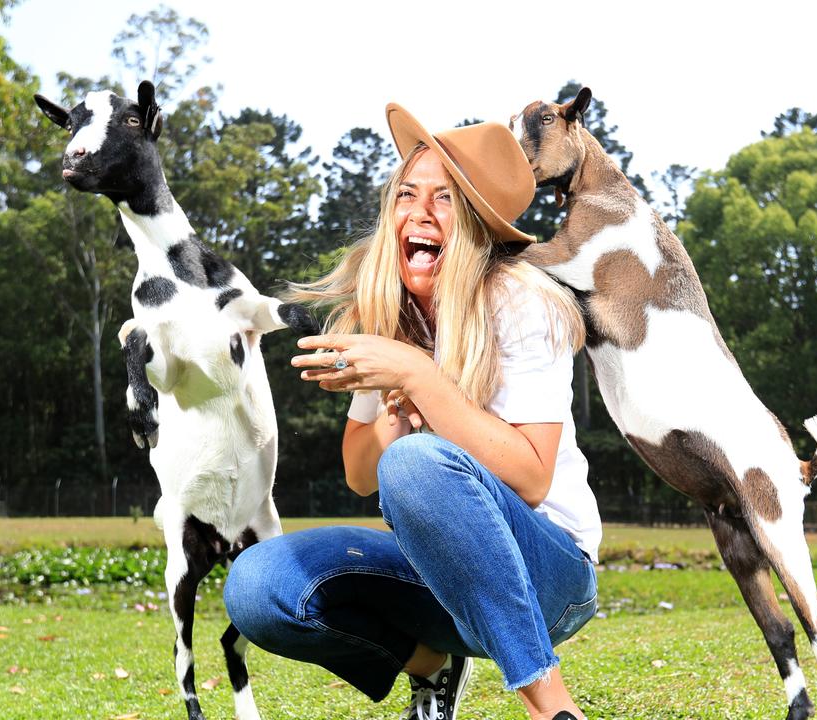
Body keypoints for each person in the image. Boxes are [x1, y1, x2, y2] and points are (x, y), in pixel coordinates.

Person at [223, 104, 602, 720]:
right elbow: (359, 474)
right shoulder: (389, 313)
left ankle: (552, 706)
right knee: (260, 587)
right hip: (440, 576)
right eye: (406, 193)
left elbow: (532, 477)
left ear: (478, 223)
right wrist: (395, 409)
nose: (417, 212)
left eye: (444, 199)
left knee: (418, 465)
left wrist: (418, 376)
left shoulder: (522, 306)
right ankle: (431, 666)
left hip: (549, 574)